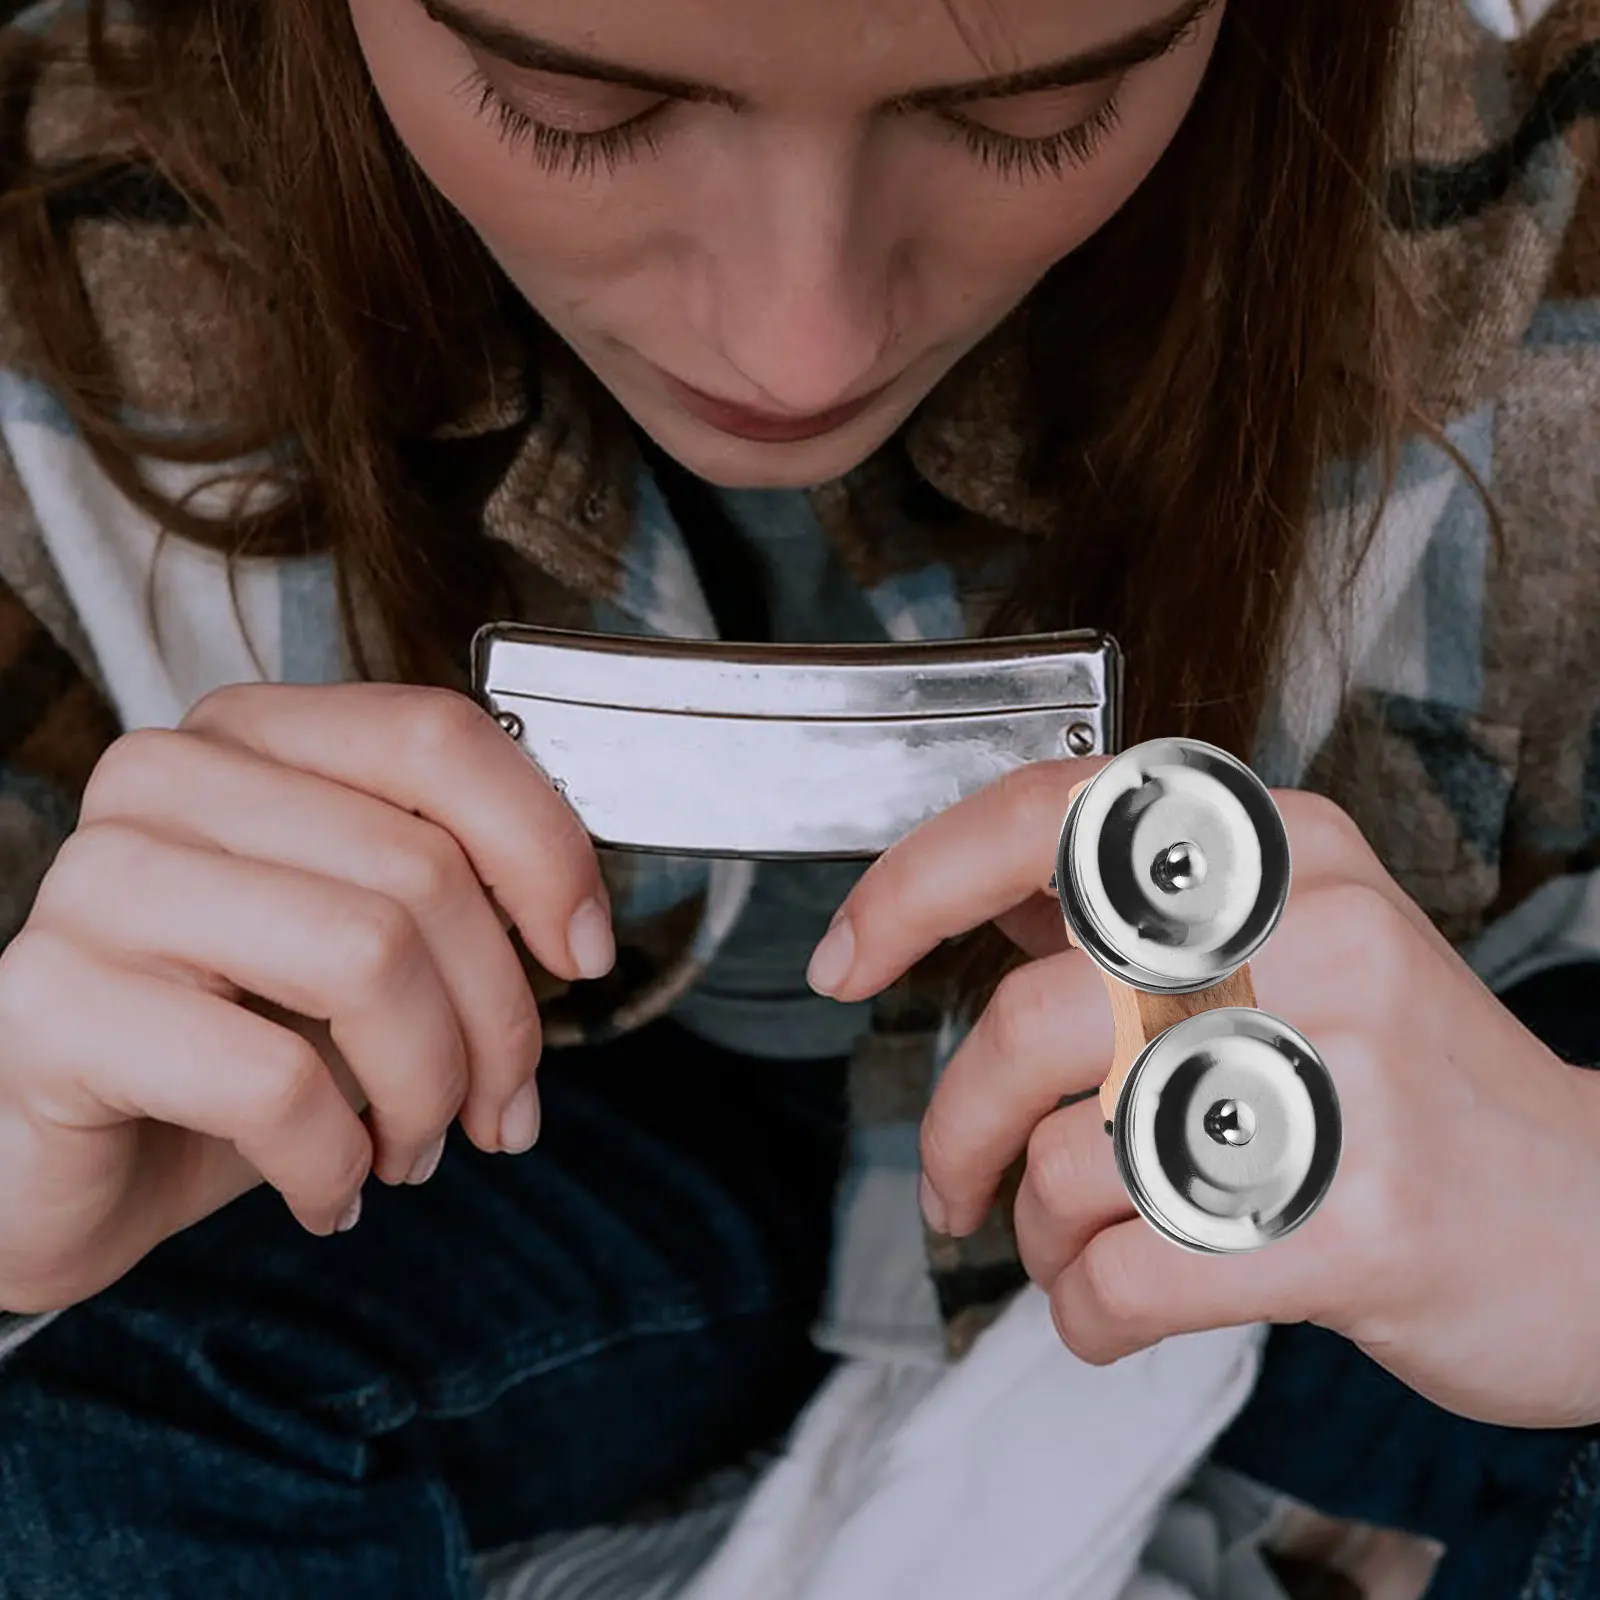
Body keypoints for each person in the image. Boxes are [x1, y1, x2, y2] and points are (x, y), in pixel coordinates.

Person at [0, 0, 1594, 1594]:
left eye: (1042, 111)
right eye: (575, 103)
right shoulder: (59, 233)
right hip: (558, 1139)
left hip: (1409, 1097)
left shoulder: (1552, 187)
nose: (798, 345)